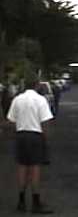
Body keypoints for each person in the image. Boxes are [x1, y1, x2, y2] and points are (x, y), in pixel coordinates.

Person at [6, 75, 54, 214]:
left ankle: (21, 201)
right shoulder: (41, 100)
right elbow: (45, 122)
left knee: (22, 168)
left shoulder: (17, 99)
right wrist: (46, 139)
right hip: (35, 135)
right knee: (35, 170)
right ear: (37, 85)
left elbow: (11, 120)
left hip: (21, 135)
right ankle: (36, 202)